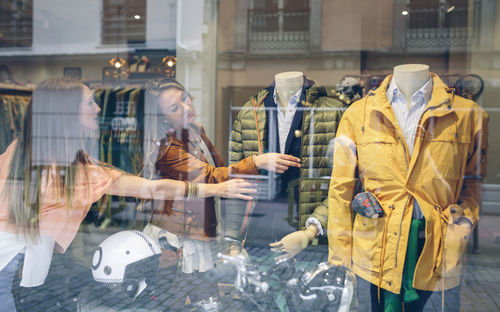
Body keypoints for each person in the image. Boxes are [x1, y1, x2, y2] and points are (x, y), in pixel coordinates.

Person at [0, 78, 255, 311]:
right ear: (68, 112)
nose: (99, 109)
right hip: (10, 273)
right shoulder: (71, 170)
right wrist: (217, 188)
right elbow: (153, 188)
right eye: (90, 102)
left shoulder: (22, 151)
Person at [327, 65, 488, 311]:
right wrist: (340, 256)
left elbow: (473, 183)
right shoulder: (359, 113)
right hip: (376, 246)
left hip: (437, 247)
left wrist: (462, 224)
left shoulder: (468, 114)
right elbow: (341, 188)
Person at [141, 79, 299, 294]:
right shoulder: (168, 149)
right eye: (175, 108)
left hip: (197, 229)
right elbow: (211, 176)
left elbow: (219, 169)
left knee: (202, 297)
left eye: (185, 99)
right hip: (179, 237)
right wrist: (256, 162)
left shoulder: (194, 130)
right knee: (174, 298)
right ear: (161, 118)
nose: (187, 108)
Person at [229, 72, 345, 259]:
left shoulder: (333, 111)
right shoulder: (250, 112)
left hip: (312, 237)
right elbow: (235, 179)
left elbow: (343, 182)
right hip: (258, 236)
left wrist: (312, 230)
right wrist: (233, 240)